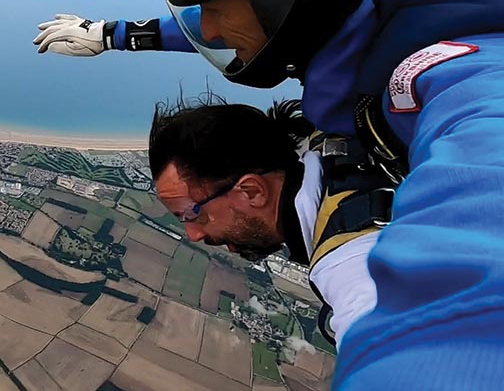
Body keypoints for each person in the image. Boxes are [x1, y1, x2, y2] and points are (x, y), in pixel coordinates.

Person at [35, 0, 504, 389]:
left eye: (192, 214)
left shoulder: (454, 74)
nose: (207, 31)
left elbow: (499, 194)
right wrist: (113, 35)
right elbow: (248, 27)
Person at [149, 97, 391, 348]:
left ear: (252, 192)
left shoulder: (352, 267)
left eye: (192, 213)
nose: (193, 234)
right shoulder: (338, 140)